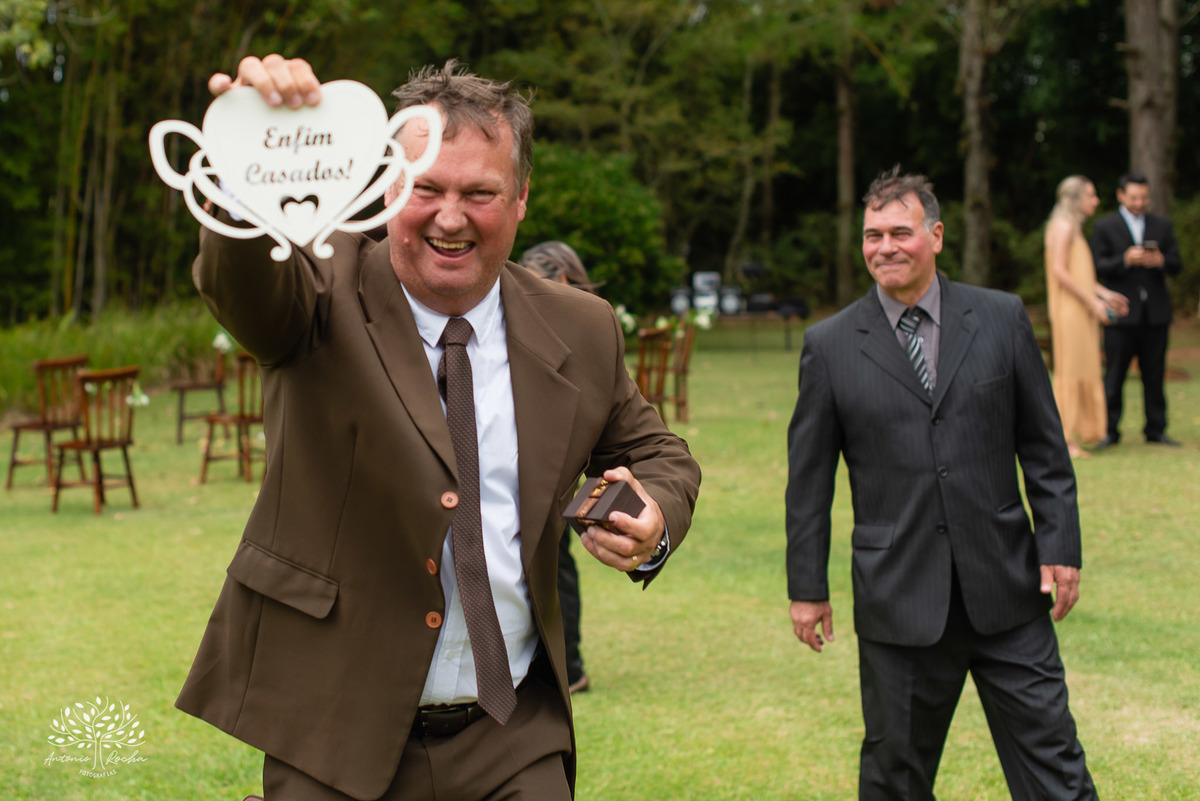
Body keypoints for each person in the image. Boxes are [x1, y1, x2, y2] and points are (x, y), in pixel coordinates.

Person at [177, 55, 701, 801]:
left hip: (511, 732)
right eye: (426, 188)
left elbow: (657, 451)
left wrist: (655, 519)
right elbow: (245, 287)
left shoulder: (580, 327)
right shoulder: (318, 283)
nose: (450, 218)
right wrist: (248, 157)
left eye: (479, 193)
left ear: (520, 200)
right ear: (388, 185)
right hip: (333, 733)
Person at [785, 169, 1097, 800]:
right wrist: (807, 588)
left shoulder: (1002, 317)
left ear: (936, 236)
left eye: (900, 232)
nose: (885, 247)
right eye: (872, 235)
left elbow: (1043, 449)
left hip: (1007, 590)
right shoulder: (830, 345)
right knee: (894, 779)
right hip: (898, 599)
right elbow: (809, 483)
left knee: (1056, 768)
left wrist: (1060, 547)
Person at [518, 240, 599, 694]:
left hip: (561, 465)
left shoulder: (586, 328)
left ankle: (570, 665)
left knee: (556, 561)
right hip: (526, 461)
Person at [1089, 172, 1184, 448]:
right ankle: (1109, 430)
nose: (1139, 203)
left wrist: (1161, 261)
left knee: (1154, 374)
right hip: (1121, 313)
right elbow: (1094, 266)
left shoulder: (1161, 225)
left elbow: (1177, 264)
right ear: (1121, 196)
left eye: (1143, 197)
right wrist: (1125, 260)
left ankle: (1156, 429)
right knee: (1114, 374)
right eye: (1133, 197)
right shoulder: (1104, 226)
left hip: (1155, 313)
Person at [1044, 176, 1128, 458]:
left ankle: (1078, 433)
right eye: (1090, 195)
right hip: (1070, 310)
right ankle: (1065, 438)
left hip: (1081, 307)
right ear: (1074, 198)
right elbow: (1059, 271)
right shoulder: (1063, 227)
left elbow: (1080, 275)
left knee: (1084, 367)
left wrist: (1105, 295)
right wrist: (1092, 302)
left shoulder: (1073, 228)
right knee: (1070, 371)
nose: (1096, 201)